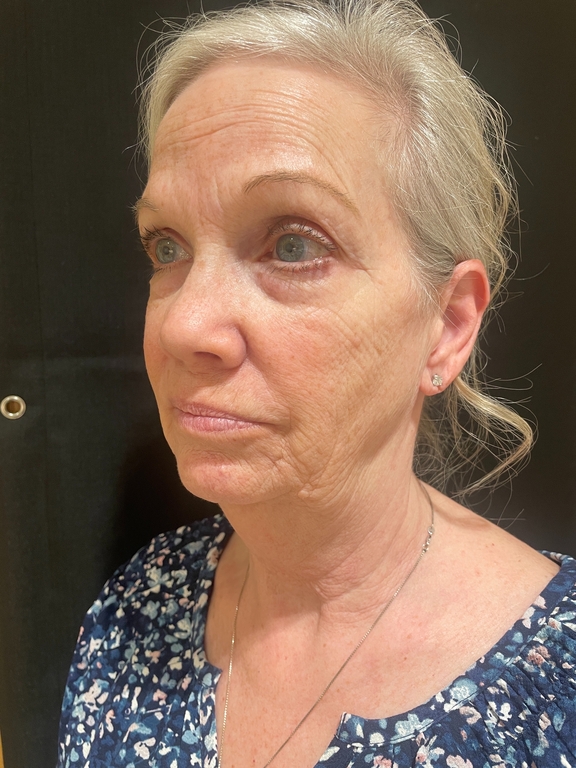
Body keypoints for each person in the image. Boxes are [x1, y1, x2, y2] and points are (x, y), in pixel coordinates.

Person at [57, 1, 576, 766]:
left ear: (447, 325)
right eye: (167, 247)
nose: (182, 326)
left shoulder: (558, 686)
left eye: (293, 244)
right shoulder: (136, 612)